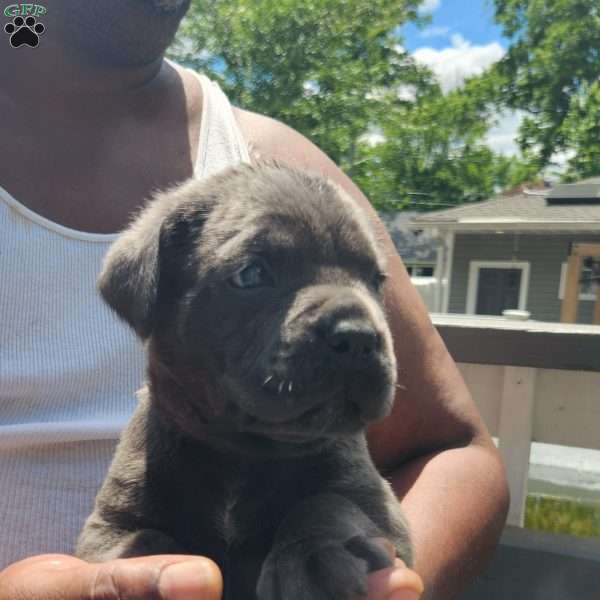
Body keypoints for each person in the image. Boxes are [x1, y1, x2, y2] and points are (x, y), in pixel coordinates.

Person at [0, 1, 508, 599]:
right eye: (253, 275)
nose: (357, 324)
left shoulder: (280, 166)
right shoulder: (184, 232)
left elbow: (455, 451)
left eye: (370, 282)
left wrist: (366, 582)